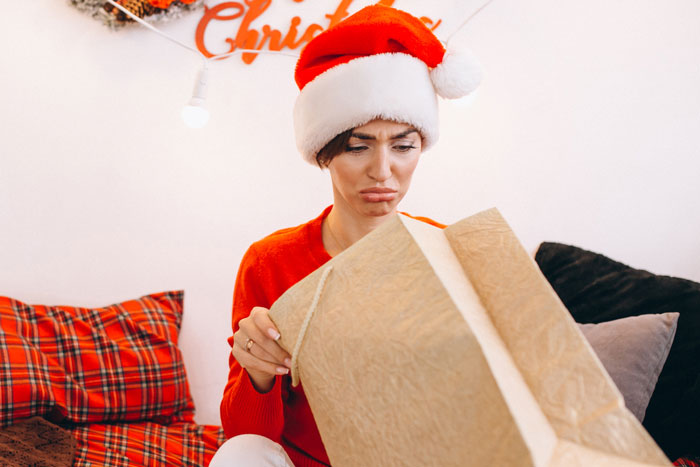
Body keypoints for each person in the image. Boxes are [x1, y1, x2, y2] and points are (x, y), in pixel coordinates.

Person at [210, 5, 481, 466]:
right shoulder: (270, 261)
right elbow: (246, 436)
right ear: (325, 153)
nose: (382, 172)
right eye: (358, 146)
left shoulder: (450, 252)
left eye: (403, 145)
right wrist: (257, 376)